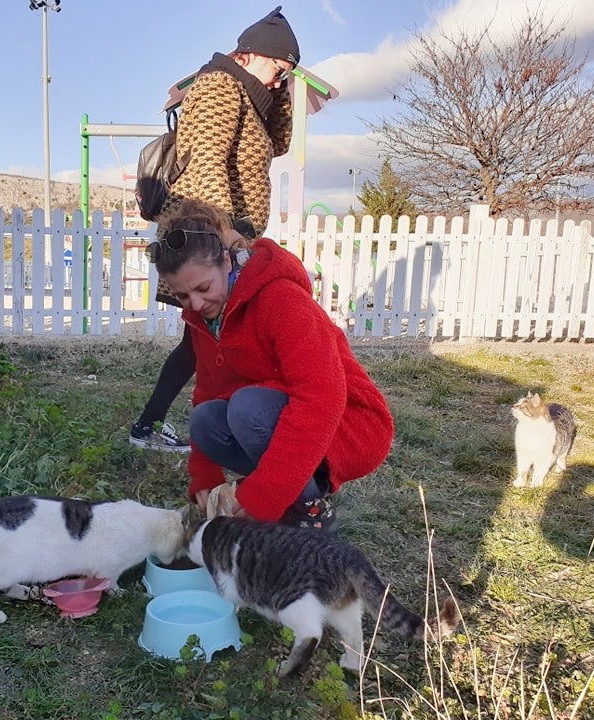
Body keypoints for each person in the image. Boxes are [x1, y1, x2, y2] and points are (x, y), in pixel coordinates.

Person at [145, 199, 395, 531]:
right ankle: (291, 492)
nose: (196, 304)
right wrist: (204, 473)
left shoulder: (282, 299)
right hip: (282, 416)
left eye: (204, 288)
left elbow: (322, 399)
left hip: (350, 425)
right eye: (182, 296)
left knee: (245, 409)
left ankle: (309, 514)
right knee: (206, 420)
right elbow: (206, 394)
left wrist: (265, 494)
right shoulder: (204, 317)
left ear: (226, 260)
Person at [129, 6, 300, 453]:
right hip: (208, 236)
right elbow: (205, 162)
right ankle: (192, 429)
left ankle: (161, 427)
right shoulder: (220, 85)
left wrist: (284, 88)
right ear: (246, 55)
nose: (279, 81)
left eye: (287, 75)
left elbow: (279, 143)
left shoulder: (251, 96)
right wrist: (226, 243)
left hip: (227, 235)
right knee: (206, 337)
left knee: (203, 339)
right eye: (277, 69)